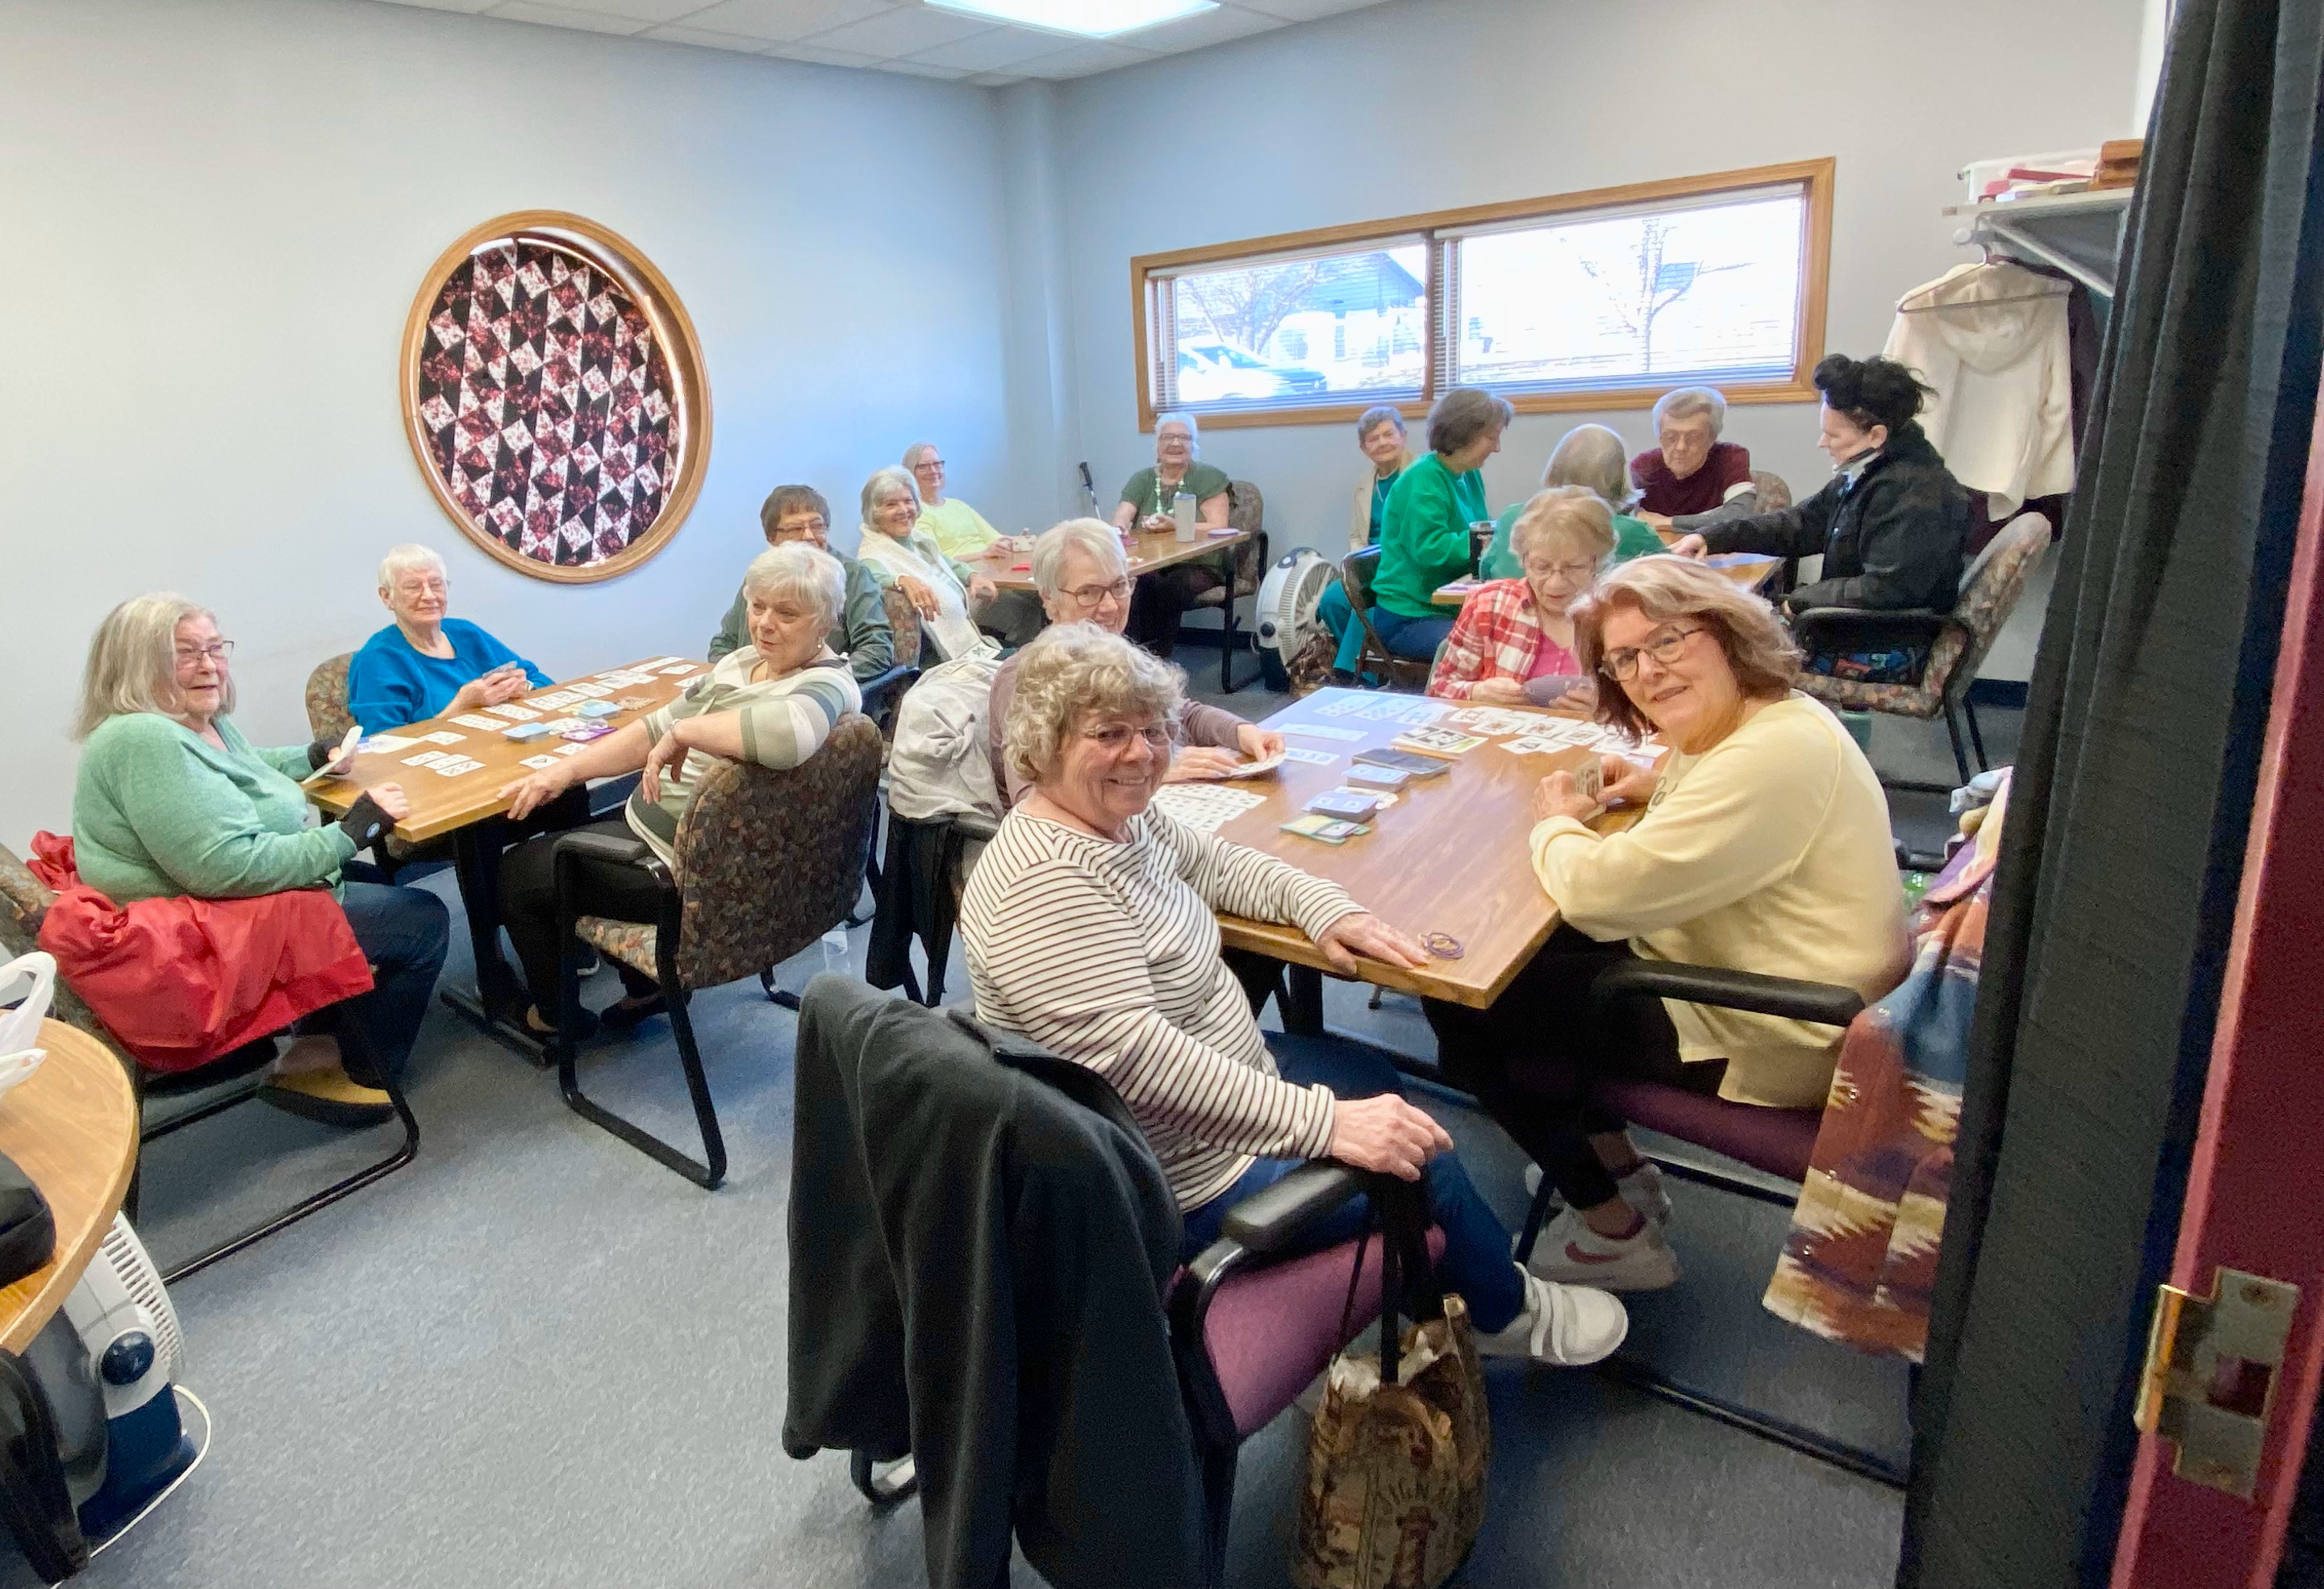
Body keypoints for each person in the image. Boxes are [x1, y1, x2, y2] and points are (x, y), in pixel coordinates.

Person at [962, 624, 1628, 1367]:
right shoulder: (1045, 886)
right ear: (1039, 746)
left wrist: (1327, 908)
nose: (1142, 753)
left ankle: (1421, 1293)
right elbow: (1139, 1069)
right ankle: (1506, 1314)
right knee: (1415, 1154)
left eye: (1152, 730)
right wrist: (1323, 1126)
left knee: (1374, 1082)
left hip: (1223, 1097)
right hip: (1176, 1175)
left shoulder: (1117, 823)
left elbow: (1221, 865)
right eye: (1108, 734)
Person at [1425, 558, 1909, 1291]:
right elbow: (1722, 792)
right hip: (1770, 980)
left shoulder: (1769, 758)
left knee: (1466, 999)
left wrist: (1557, 824)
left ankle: (1613, 1232)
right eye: (1624, 659)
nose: (1646, 672)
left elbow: (1596, 892)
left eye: (1668, 643)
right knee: (1526, 959)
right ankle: (1620, 1169)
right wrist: (1660, 784)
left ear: (1725, 634)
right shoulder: (1776, 718)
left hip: (1774, 1029)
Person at [71, 594, 449, 1124]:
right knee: (422, 919)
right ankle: (359, 1077)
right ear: (138, 663)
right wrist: (353, 831)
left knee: (358, 881)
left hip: (215, 905)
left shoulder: (194, 723)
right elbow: (227, 869)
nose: (209, 664)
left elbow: (248, 765)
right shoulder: (142, 738)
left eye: (214, 648)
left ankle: (316, 1040)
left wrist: (313, 756)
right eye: (186, 653)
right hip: (198, 937)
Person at [495, 544, 863, 1037]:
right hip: (671, 843)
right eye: (758, 607)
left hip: (689, 880)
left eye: (788, 613)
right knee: (575, 833)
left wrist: (687, 733)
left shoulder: (828, 684)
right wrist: (565, 772)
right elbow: (655, 727)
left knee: (518, 870)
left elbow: (787, 736)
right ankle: (648, 988)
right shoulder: (742, 663)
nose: (765, 624)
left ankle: (556, 1019)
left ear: (825, 623)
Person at [1671, 354, 1971, 681]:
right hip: (1860, 626)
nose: (1821, 443)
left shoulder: (1916, 496)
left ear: (1876, 436)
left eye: (1834, 436)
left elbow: (1886, 589)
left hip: (1891, 645)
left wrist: (1798, 601)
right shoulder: (1870, 472)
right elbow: (1800, 524)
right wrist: (1712, 538)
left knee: (1725, 655)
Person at [987, 519, 1284, 806]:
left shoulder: (1119, 656)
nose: (1110, 606)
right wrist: (1155, 768)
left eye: (1119, 586)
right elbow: (1028, 796)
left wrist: (1242, 732)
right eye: (1089, 593)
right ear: (1049, 600)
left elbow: (1181, 713)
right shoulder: (1024, 676)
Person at [1362, 388, 1512, 669]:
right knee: (1489, 650)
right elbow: (1430, 549)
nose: (1497, 448)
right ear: (1465, 433)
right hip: (1409, 616)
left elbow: (1478, 534)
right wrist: (1489, 542)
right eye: (1492, 437)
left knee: (1514, 636)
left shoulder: (1468, 475)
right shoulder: (1423, 478)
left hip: (1444, 608)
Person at [1429, 486, 1610, 711]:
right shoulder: (1490, 604)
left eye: (1573, 567)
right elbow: (1437, 690)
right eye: (1542, 567)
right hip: (1500, 741)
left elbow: (1652, 709)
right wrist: (1477, 692)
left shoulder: (1614, 615)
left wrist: (1608, 710)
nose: (1556, 583)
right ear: (1523, 560)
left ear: (1596, 562)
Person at [347, 544, 550, 730]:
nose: (428, 596)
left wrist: (526, 687)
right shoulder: (376, 661)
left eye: (436, 585)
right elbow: (383, 746)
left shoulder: (467, 633)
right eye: (413, 587)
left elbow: (540, 680)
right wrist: (461, 706)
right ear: (387, 597)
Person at [707, 484, 895, 681]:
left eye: (817, 526)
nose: (809, 536)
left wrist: (815, 679)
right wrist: (735, 679)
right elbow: (723, 643)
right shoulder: (762, 575)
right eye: (796, 528)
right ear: (772, 538)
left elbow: (876, 651)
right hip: (753, 686)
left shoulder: (853, 575)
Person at [853, 467, 1020, 659]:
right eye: (891, 504)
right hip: (939, 657)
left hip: (971, 638)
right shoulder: (874, 551)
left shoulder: (916, 540)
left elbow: (945, 561)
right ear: (874, 512)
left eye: (908, 501)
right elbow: (867, 573)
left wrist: (972, 575)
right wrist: (901, 580)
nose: (903, 510)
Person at [1111, 411, 1233, 657]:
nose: (1175, 443)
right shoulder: (1142, 479)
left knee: (1172, 586)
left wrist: (1176, 525)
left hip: (1199, 565)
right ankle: (1130, 656)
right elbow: (1120, 520)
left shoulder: (1209, 477)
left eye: (1183, 438)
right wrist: (1118, 529)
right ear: (1157, 445)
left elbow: (1219, 525)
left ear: (1193, 445)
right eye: (1168, 437)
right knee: (1135, 583)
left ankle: (1158, 657)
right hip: (1152, 562)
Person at [903, 443, 1047, 644]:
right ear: (910, 473)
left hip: (997, 576)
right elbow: (935, 560)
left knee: (1042, 597)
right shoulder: (915, 513)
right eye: (924, 466)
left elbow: (994, 539)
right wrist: (982, 554)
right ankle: (1018, 660)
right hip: (966, 587)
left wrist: (1014, 542)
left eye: (937, 464)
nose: (933, 471)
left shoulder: (958, 506)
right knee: (1025, 609)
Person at [1480, 423, 1664, 580]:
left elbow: (1485, 571)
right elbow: (1673, 578)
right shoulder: (1632, 531)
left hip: (1510, 616)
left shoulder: (1511, 517)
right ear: (1618, 475)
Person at [1317, 406, 1417, 678]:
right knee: (1332, 600)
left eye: (1388, 434)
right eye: (1374, 439)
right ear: (1364, 448)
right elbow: (1356, 535)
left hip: (1404, 563)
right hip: (1370, 562)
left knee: (1364, 604)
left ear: (1403, 436)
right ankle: (1372, 673)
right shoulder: (1363, 485)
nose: (1382, 443)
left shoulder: (1419, 476)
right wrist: (1357, 565)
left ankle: (1353, 670)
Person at [1629, 386, 1758, 535]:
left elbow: (1738, 515)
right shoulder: (1645, 465)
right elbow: (1616, 511)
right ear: (1660, 437)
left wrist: (1666, 522)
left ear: (1712, 438)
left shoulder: (1730, 458)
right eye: (1671, 437)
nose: (1681, 447)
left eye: (1694, 438)